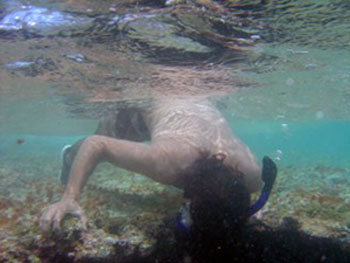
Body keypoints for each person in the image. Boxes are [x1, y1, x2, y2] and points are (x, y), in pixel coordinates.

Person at [39, 97, 269, 233]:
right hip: (146, 107)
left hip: (180, 104)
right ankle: (69, 155)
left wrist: (239, 208)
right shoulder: (168, 162)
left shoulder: (252, 177)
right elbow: (96, 144)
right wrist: (70, 196)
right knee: (100, 135)